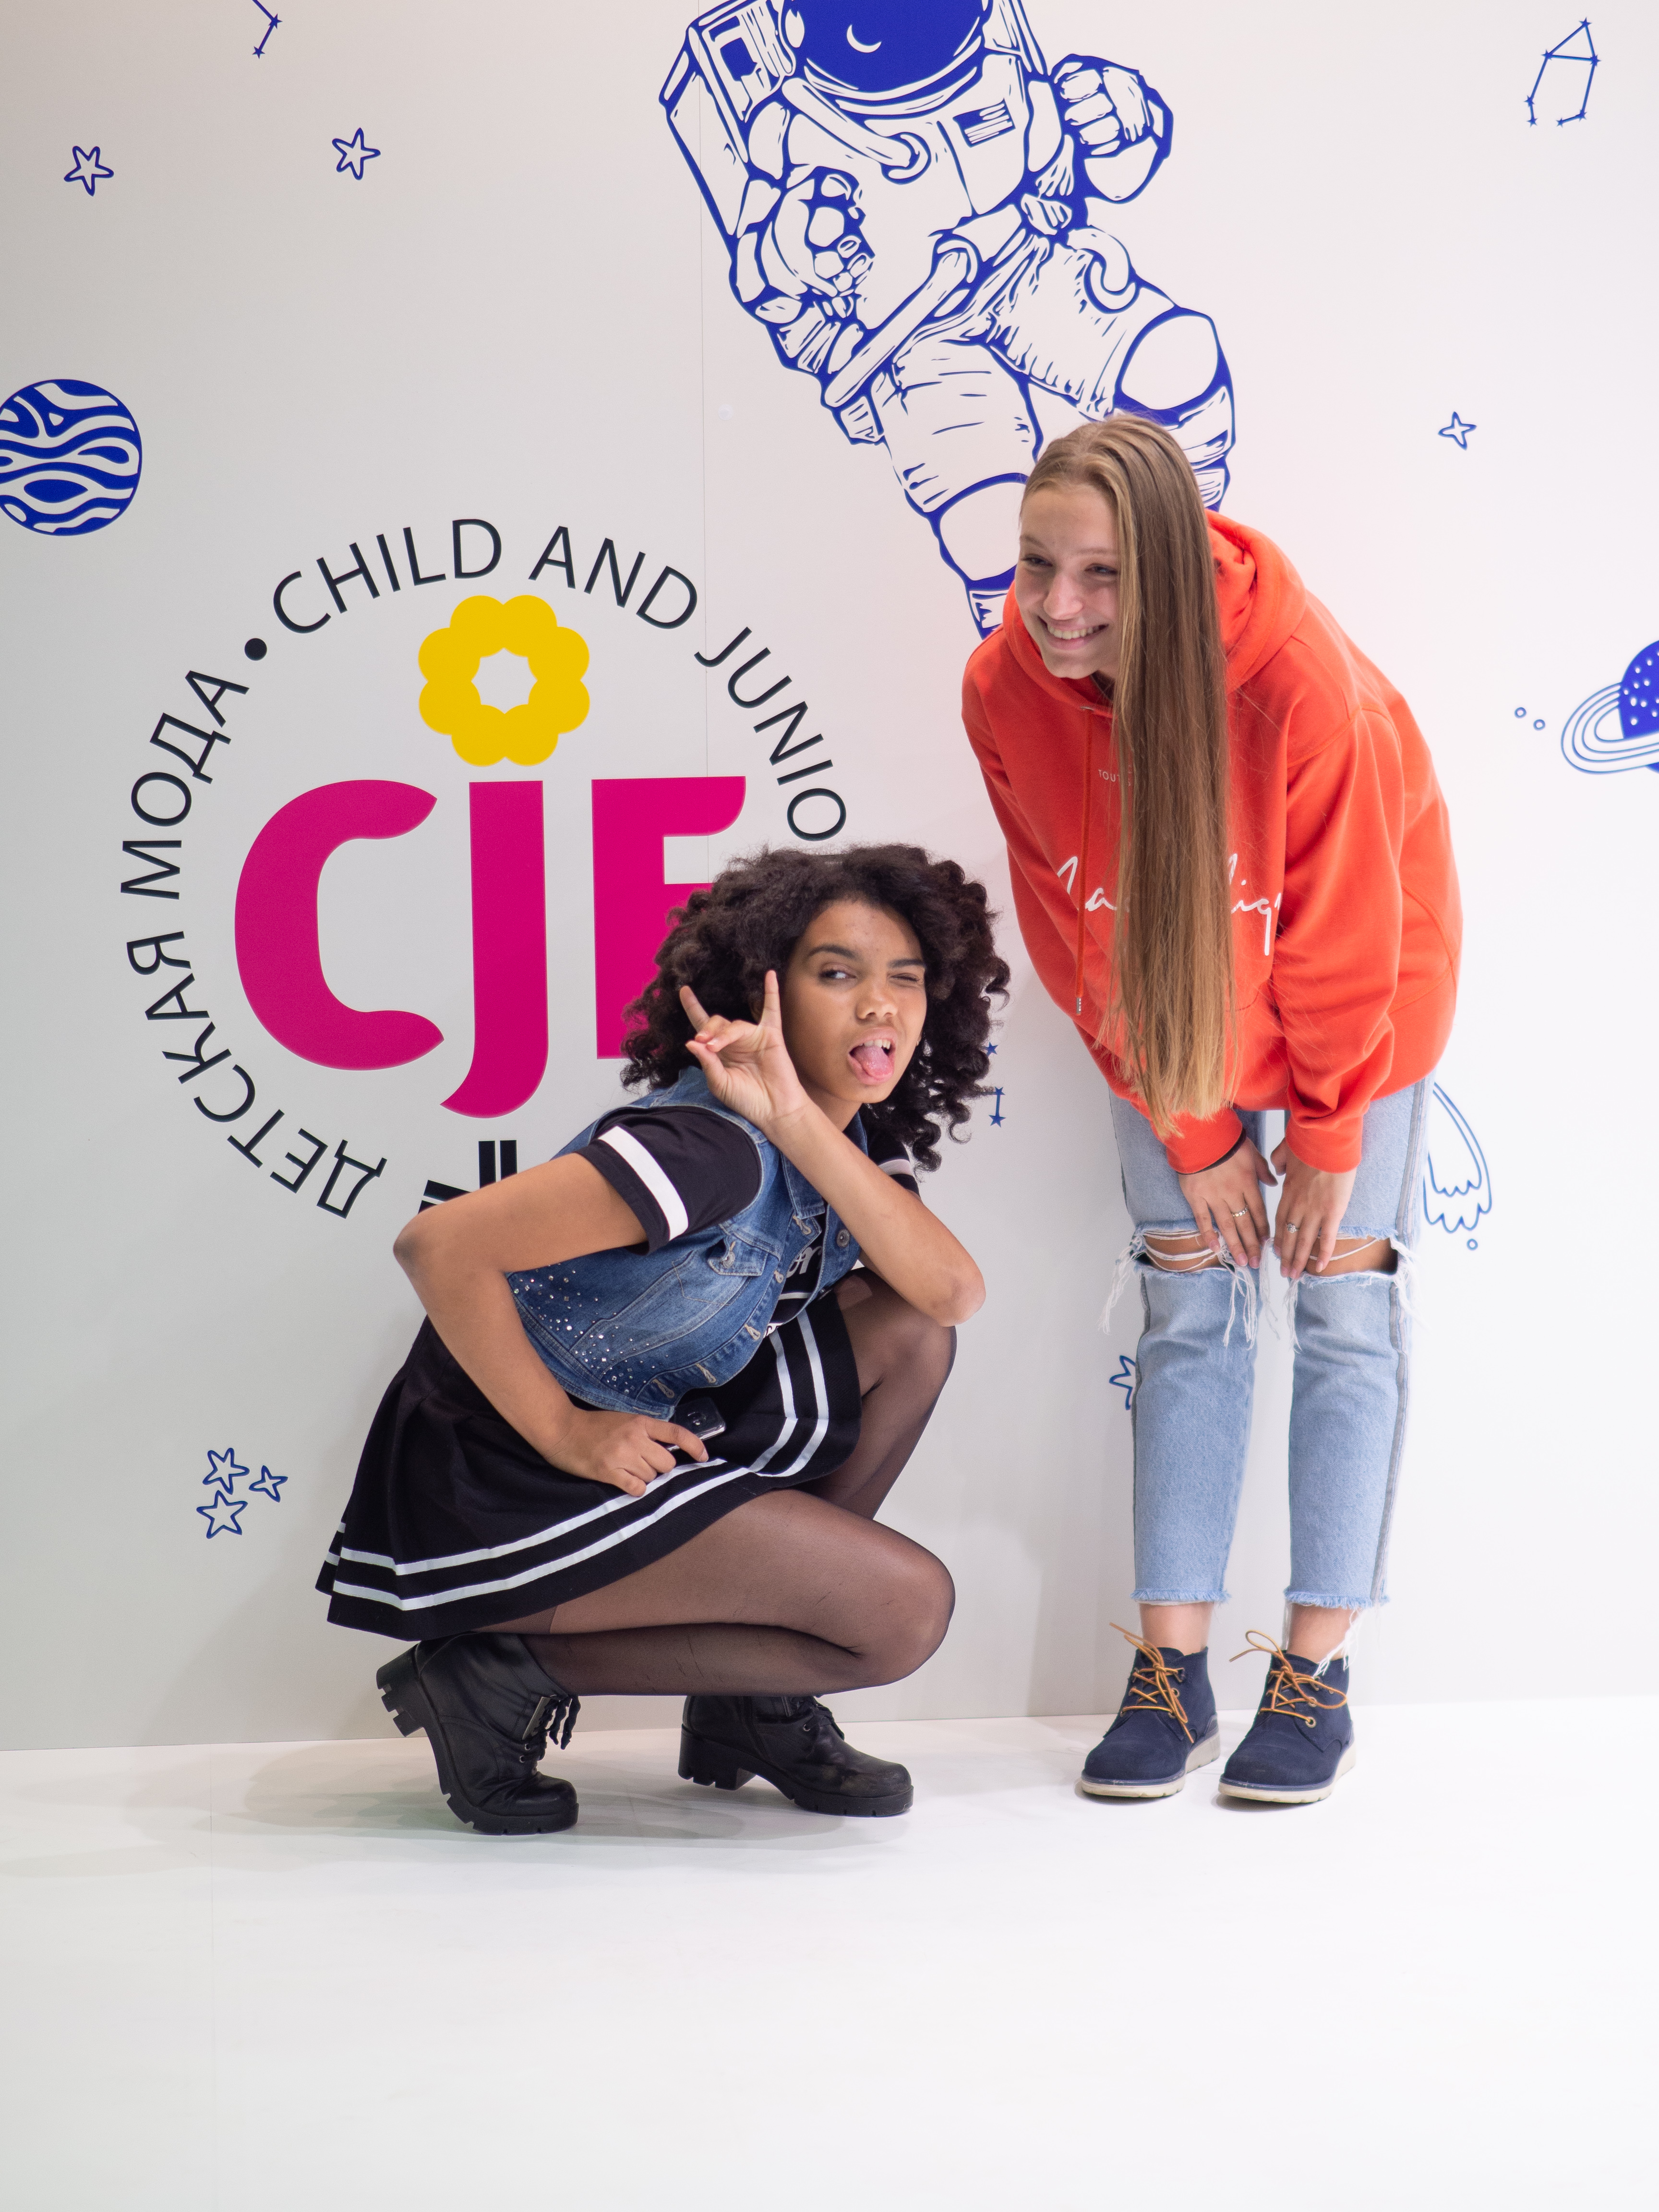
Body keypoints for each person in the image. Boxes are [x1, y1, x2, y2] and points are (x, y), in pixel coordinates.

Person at [962, 416, 1460, 1804]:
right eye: (1037, 564)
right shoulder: (1004, 688)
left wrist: (1329, 1136)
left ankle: (1315, 1675)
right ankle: (1171, 1672)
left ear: (1171, 574)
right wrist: (1193, 1132)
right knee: (1190, 1305)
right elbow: (1073, 929)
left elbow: (1349, 938)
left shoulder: (1300, 685)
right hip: (1165, 1025)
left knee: (1343, 1305)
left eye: (1102, 574)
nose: (1057, 606)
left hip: (1360, 1015)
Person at [318, 845, 1007, 1835]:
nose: (879, 1007)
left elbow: (950, 1294)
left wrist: (799, 1120)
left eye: (906, 978)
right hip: (503, 1468)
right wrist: (565, 1431)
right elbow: (439, 1246)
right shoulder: (706, 1149)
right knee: (902, 1612)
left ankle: (748, 1704)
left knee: (909, 1331)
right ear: (762, 992)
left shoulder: (836, 1139)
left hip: (648, 1418)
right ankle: (493, 1675)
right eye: (837, 974)